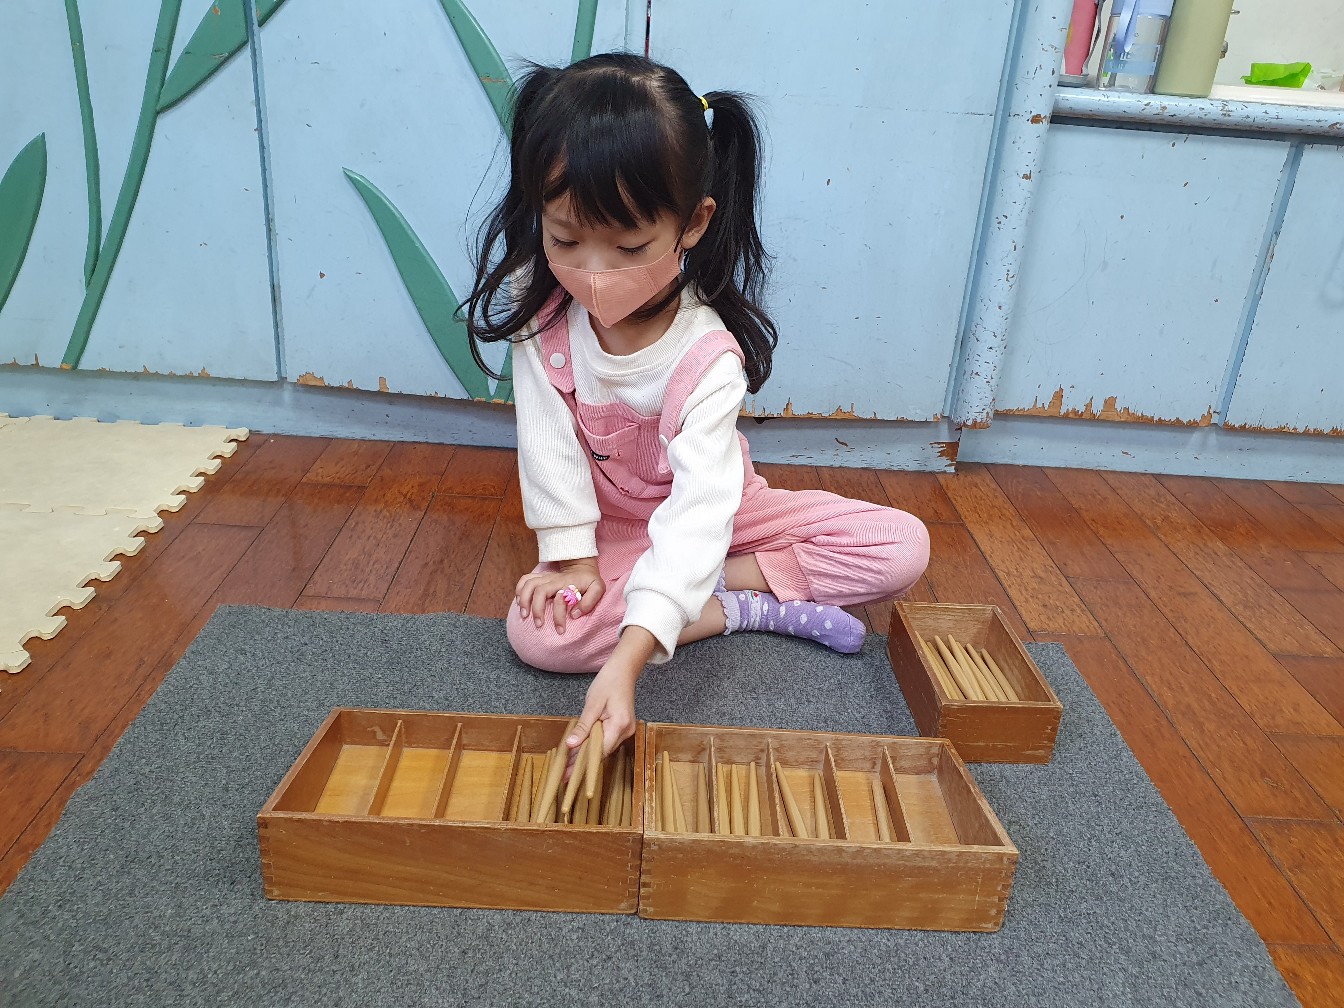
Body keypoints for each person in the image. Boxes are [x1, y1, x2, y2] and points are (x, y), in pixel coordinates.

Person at [464, 53, 930, 763]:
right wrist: (572, 559)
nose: (594, 272)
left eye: (629, 246)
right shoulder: (541, 312)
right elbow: (548, 444)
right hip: (619, 533)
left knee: (900, 546)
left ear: (692, 222)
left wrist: (627, 664)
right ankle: (739, 607)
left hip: (724, 510)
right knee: (538, 637)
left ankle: (696, 589)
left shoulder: (707, 356)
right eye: (565, 239)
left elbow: (700, 507)